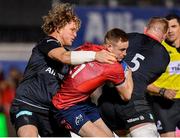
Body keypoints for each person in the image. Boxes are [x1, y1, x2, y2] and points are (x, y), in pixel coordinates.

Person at [9, 3, 117, 137]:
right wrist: (95, 55)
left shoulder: (71, 59)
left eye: (76, 31)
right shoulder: (47, 44)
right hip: (27, 105)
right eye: (72, 30)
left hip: (53, 112)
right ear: (59, 27)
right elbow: (63, 56)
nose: (75, 34)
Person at [52, 28, 133, 137]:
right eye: (122, 50)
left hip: (84, 103)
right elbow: (126, 95)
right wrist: (128, 71)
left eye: (126, 50)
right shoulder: (115, 67)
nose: (125, 54)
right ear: (109, 47)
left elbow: (72, 58)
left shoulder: (89, 47)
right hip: (65, 107)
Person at [98, 17, 170, 137]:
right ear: (165, 35)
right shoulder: (164, 56)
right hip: (133, 103)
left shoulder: (129, 37)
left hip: (107, 101)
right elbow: (146, 82)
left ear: (145, 29)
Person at [147, 14, 180, 137]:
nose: (170, 31)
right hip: (163, 103)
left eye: (174, 26)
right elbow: (143, 80)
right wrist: (162, 91)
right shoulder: (158, 50)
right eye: (167, 28)